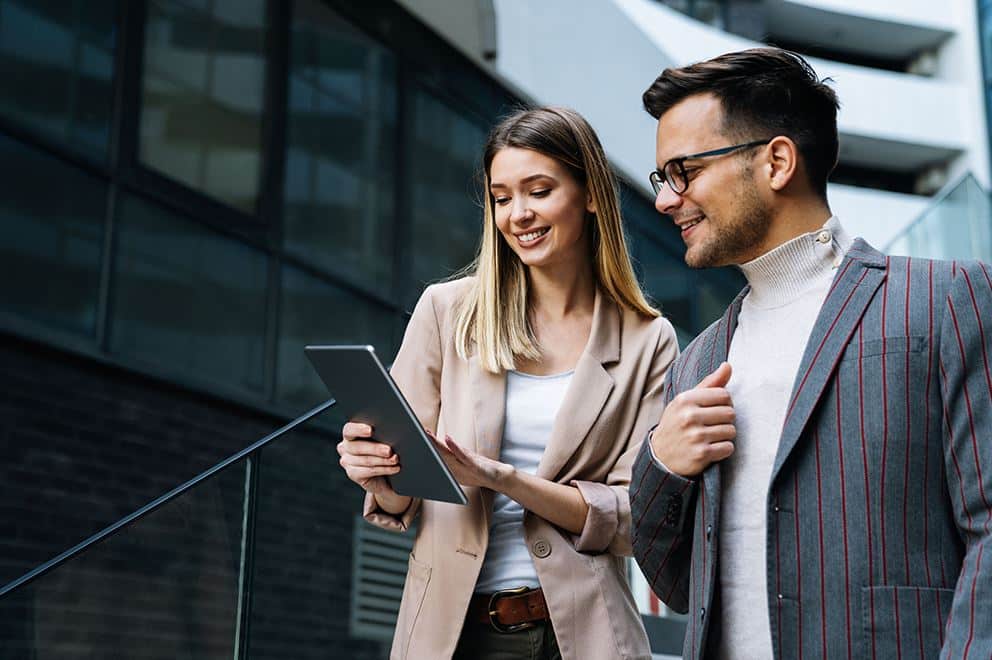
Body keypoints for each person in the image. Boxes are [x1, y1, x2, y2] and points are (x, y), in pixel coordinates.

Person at [629, 47, 992, 659]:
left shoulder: (942, 299)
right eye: (663, 179)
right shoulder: (699, 360)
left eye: (683, 170)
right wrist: (660, 463)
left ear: (776, 161)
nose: (667, 199)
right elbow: (678, 585)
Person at [338, 106, 679, 660]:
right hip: (451, 635)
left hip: (584, 638)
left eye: (538, 191)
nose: (517, 214)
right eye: (501, 197)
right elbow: (404, 491)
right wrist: (373, 471)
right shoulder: (447, 313)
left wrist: (506, 479)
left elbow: (633, 519)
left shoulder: (648, 339)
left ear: (590, 194)